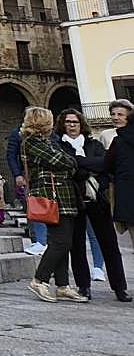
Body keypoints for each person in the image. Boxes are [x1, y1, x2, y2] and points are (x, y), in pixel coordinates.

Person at [56, 108, 130, 302]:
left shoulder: (94, 144)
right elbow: (68, 170)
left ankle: (120, 287)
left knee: (109, 244)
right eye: (68, 122)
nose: (72, 125)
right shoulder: (59, 145)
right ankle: (84, 286)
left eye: (75, 122)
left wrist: (79, 162)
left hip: (98, 199)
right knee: (77, 245)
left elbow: (104, 164)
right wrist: (88, 166)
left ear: (81, 124)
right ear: (63, 124)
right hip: (73, 199)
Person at [21, 106, 86, 303]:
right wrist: (71, 162)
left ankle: (62, 285)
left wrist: (70, 162)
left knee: (63, 242)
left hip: (63, 197)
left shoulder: (48, 142)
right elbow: (61, 161)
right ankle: (39, 280)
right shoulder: (31, 142)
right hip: (52, 198)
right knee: (61, 242)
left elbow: (67, 161)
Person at [7, 118, 48, 255]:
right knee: (33, 207)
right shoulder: (17, 133)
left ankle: (47, 240)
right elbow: (11, 156)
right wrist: (18, 174)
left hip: (47, 175)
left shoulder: (48, 134)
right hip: (28, 176)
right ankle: (37, 240)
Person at [104, 98, 134, 253]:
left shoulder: (118, 141)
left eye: (120, 114)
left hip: (128, 199)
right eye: (113, 114)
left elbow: (106, 166)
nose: (115, 118)